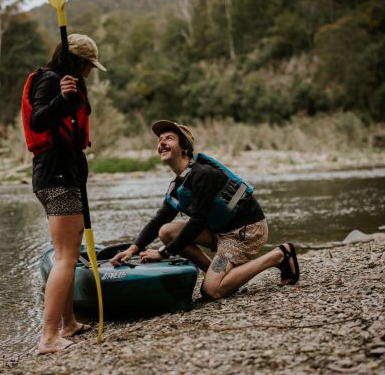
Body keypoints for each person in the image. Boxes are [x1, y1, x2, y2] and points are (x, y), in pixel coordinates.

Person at [110, 121, 300, 300]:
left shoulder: (203, 174)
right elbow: (158, 221)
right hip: (222, 232)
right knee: (165, 231)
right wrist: (133, 249)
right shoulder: (178, 185)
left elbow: (198, 220)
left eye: (169, 138)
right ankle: (220, 274)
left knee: (211, 291)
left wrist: (163, 253)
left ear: (184, 147)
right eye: (160, 139)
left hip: (246, 232)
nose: (162, 142)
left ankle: (279, 255)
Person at [21, 34, 106, 354]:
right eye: (88, 67)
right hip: (56, 175)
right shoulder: (51, 81)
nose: (89, 73)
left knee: (70, 251)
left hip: (64, 174)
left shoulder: (63, 82)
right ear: (78, 62)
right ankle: (48, 336)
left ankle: (68, 323)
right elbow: (39, 119)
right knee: (66, 257)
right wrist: (62, 97)